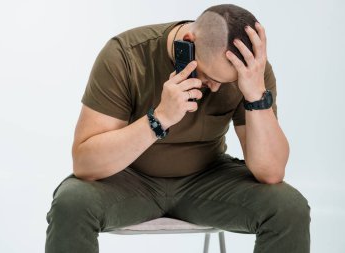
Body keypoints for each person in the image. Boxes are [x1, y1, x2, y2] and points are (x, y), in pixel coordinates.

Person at [45, 4, 310, 253]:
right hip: (129, 179)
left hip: (206, 182)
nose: (216, 87)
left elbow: (271, 172)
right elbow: (85, 164)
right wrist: (158, 119)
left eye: (225, 81)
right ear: (189, 42)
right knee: (72, 203)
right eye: (210, 77)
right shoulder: (124, 55)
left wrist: (255, 97)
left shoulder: (250, 72)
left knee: (288, 208)